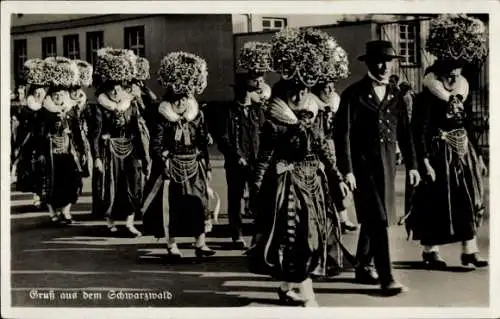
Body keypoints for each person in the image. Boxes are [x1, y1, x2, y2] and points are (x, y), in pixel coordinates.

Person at [248, 28, 350, 307]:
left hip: (314, 183)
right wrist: (257, 186)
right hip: (288, 185)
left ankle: (286, 287)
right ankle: (306, 293)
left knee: (313, 236)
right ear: (285, 92)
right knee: (297, 237)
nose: (300, 95)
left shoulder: (312, 116)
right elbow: (265, 156)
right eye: (295, 90)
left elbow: (322, 148)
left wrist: (338, 177)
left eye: (304, 90)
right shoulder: (275, 121)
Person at [334, 40, 421, 295]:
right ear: (368, 63)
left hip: (388, 167)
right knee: (380, 220)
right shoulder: (353, 94)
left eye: (388, 61)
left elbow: (406, 134)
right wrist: (347, 169)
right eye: (378, 61)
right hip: (362, 169)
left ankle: (363, 266)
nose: (383, 66)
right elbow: (343, 136)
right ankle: (386, 277)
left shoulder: (397, 95)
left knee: (375, 218)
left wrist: (413, 165)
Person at [407, 14, 488, 269]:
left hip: (463, 154)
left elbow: (469, 126)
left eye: (456, 73)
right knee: (436, 201)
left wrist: (479, 157)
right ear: (439, 74)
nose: (453, 78)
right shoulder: (427, 97)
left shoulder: (460, 94)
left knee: (468, 197)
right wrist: (424, 162)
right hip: (438, 154)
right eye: (448, 74)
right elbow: (417, 131)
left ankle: (469, 251)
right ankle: (430, 251)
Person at [142, 52, 216, 259]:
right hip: (170, 168)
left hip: (194, 166)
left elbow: (202, 142)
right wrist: (164, 159)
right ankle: (171, 244)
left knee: (199, 203)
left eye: (185, 98)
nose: (182, 102)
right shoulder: (162, 116)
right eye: (178, 99)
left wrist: (207, 166)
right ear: (171, 100)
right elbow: (155, 144)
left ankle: (200, 243)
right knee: (171, 206)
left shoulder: (196, 116)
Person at [90, 48, 150, 237]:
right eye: (112, 86)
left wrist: (143, 155)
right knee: (112, 186)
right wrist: (97, 157)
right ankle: (111, 221)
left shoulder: (131, 104)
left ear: (125, 87)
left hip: (130, 148)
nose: (116, 89)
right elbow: (95, 134)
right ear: (106, 88)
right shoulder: (101, 108)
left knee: (133, 184)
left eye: (120, 85)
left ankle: (130, 223)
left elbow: (139, 128)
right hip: (110, 151)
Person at [218, 41, 270, 249]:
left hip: (256, 160)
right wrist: (235, 155)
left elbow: (265, 134)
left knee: (259, 198)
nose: (247, 94)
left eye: (250, 91)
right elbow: (224, 138)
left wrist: (263, 157)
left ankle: (259, 235)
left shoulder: (258, 112)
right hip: (236, 162)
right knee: (235, 198)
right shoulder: (229, 111)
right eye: (244, 91)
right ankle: (236, 235)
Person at [36, 57, 88, 224]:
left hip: (68, 152)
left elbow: (77, 130)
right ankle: (52, 213)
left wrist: (81, 150)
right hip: (51, 153)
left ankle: (66, 212)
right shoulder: (44, 112)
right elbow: (38, 133)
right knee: (51, 183)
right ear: (50, 96)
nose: (58, 97)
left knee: (72, 181)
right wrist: (45, 142)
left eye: (60, 94)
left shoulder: (70, 111)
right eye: (55, 95)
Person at [13, 59, 49, 209]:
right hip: (32, 143)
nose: (39, 94)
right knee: (34, 170)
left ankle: (45, 196)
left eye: (42, 92)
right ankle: (37, 197)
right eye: (37, 92)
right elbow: (22, 127)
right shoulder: (27, 108)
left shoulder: (47, 107)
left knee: (46, 170)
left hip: (45, 141)